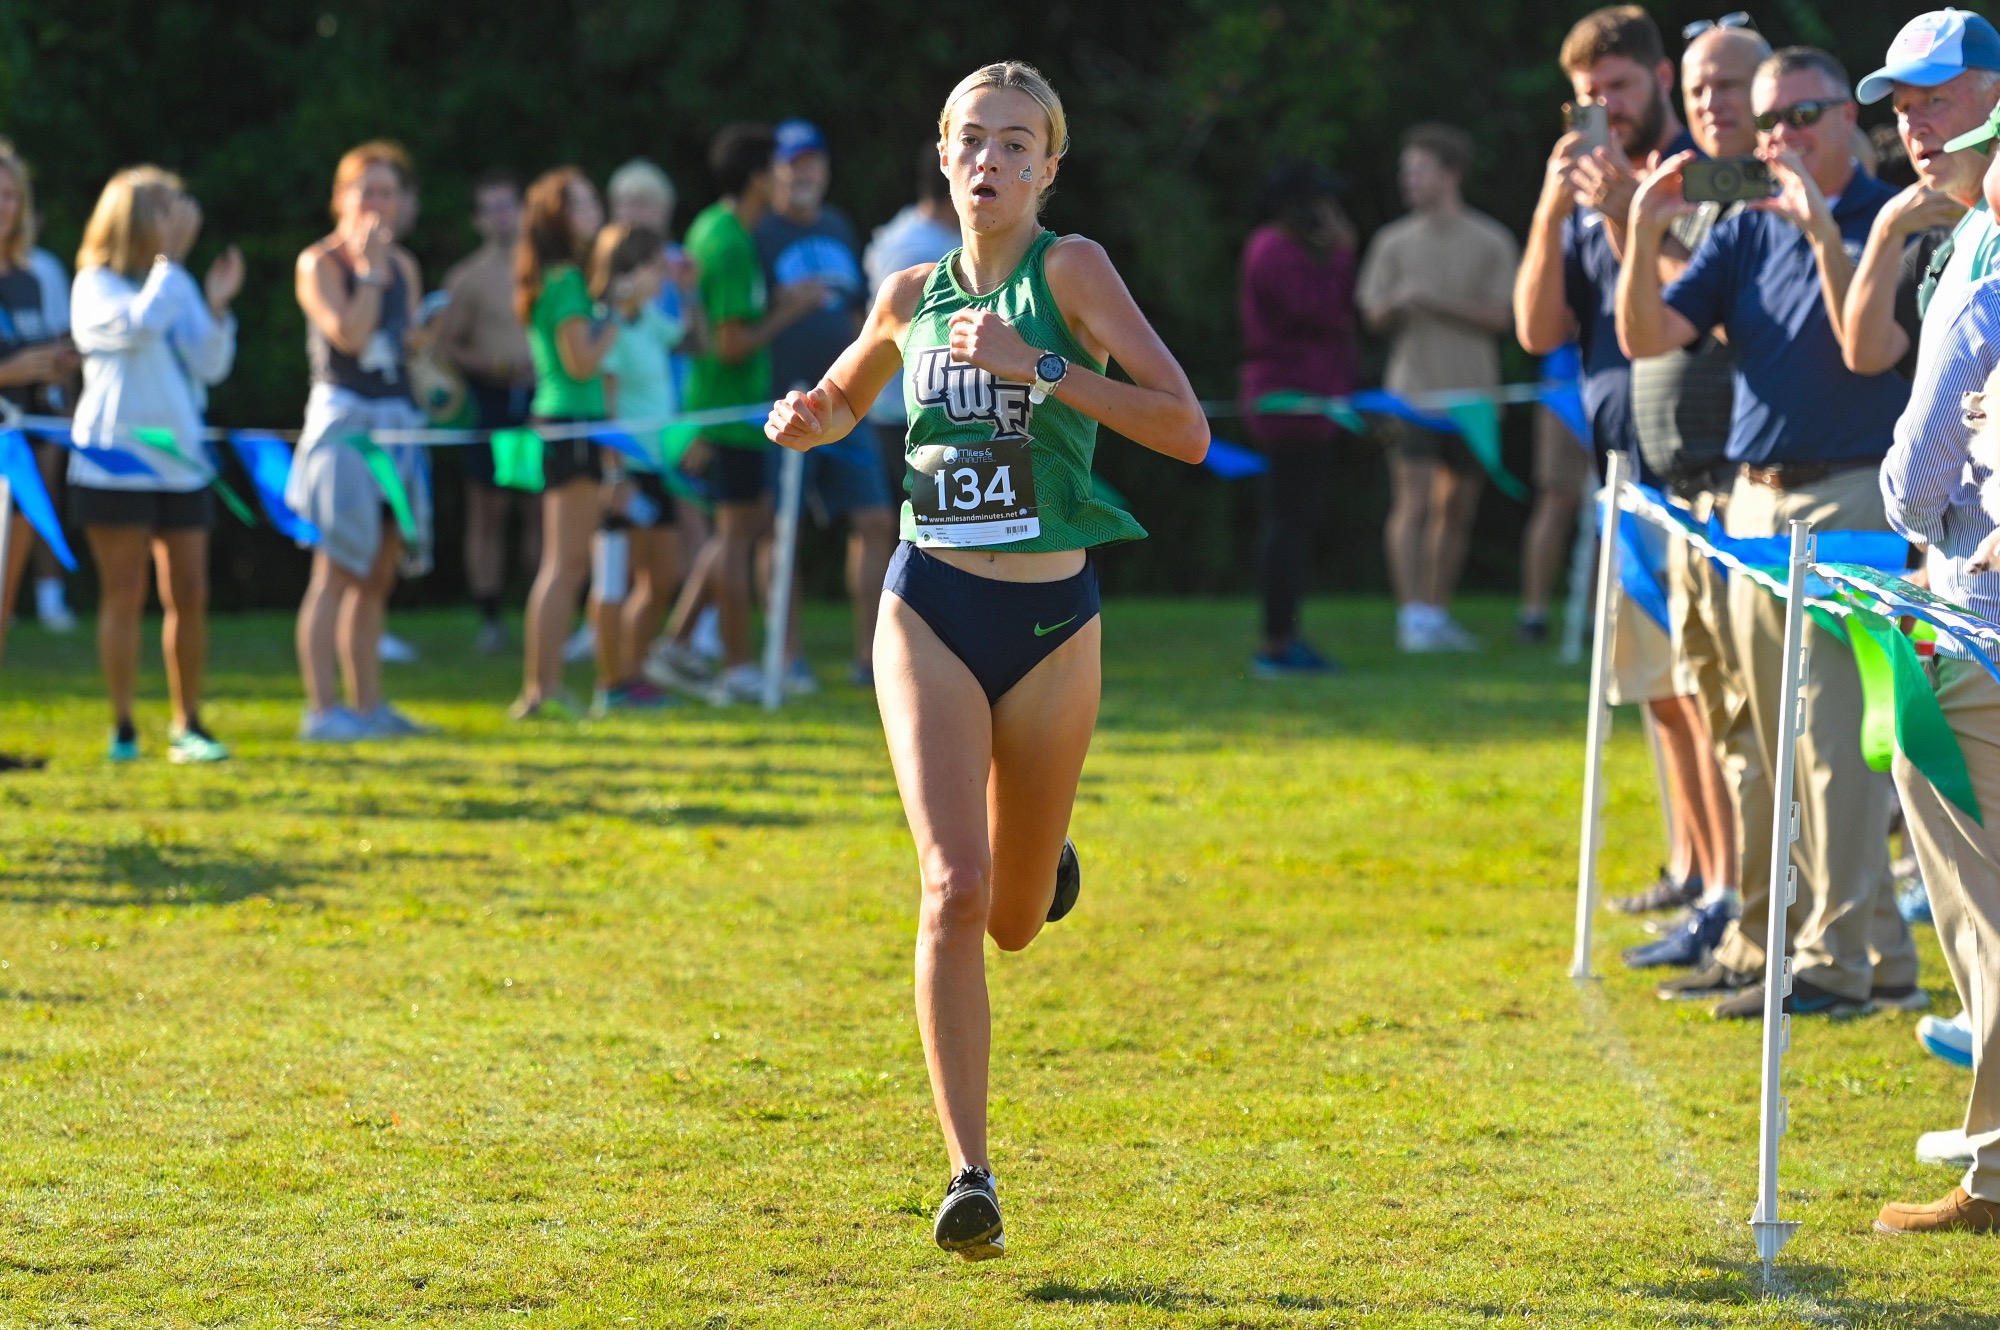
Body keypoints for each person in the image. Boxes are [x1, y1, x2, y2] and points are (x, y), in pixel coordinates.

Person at [764, 61, 1207, 1261]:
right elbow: (848, 395)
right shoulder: (907, 288)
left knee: (1014, 918)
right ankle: (969, 1173)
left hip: (1054, 624)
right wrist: (809, 416)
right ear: (944, 156)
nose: (991, 161)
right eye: (973, 140)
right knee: (951, 887)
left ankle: (1039, 857)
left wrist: (1045, 370)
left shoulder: (1073, 272)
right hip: (929, 607)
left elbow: (1185, 426)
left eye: (1017, 144)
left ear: (1048, 167)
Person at [1620, 46, 1920, 1019]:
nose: (1778, 139)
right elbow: (1644, 336)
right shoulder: (1744, 229)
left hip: (1847, 502)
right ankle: (1829, 946)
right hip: (1753, 506)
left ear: (1846, 120)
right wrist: (1638, 228)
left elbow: (1858, 346)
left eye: (1800, 116)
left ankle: (1833, 961)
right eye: (1767, 123)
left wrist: (1823, 235)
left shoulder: (1891, 217)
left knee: (1832, 744)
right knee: (1766, 738)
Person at [1514, 6, 1712, 921]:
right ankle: (1689, 866)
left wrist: (1627, 217)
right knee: (1658, 692)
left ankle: (1726, 886)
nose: (1607, 109)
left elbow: (1696, 306)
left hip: (1695, 464)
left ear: (1661, 79)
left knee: (1708, 691)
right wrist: (1557, 207)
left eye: (1621, 88)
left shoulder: (1693, 176)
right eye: (1589, 96)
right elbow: (1537, 330)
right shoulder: (1586, 190)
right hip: (1620, 470)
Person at [1614, 23, 1772, 979]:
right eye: (1703, 86)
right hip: (1684, 485)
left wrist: (1625, 217)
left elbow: (1692, 319)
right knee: (1709, 711)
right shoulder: (1710, 189)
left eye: (1733, 84)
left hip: (1739, 483)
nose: (1714, 103)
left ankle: (1756, 912)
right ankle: (1726, 899)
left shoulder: (1764, 185)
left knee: (1748, 724)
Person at [1873, 120, 2000, 1232]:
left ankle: (1998, 1173)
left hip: (1976, 630)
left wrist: (1914, 508)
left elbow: (1914, 481)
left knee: (1981, 898)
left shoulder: (1984, 287)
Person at [67, 166, 243, 764]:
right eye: (166, 208)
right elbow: (139, 327)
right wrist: (172, 265)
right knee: (124, 592)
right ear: (135, 219)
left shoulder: (177, 282)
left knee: (189, 590)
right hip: (115, 460)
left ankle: (187, 722)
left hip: (181, 462)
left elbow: (208, 365)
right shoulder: (94, 284)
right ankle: (123, 727)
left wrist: (217, 308)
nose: (179, 218)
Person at [288, 142, 434, 741]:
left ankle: (369, 705)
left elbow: (407, 349)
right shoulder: (319, 263)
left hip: (397, 424)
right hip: (343, 427)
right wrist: (370, 273)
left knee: (378, 571)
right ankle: (322, 711)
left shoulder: (407, 266)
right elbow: (347, 335)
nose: (377, 203)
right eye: (365, 189)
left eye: (388, 191)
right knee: (337, 568)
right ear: (340, 198)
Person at [1357, 124, 1516, 653]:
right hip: (1410, 394)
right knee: (1414, 501)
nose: (1409, 180)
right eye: (1406, 172)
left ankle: (1436, 610)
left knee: (1458, 508)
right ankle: (1411, 617)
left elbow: (1505, 317)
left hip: (1474, 397)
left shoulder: (1491, 239)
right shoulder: (1392, 241)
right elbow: (1371, 314)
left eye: (1418, 170)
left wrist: (1436, 301)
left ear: (1450, 175)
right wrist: (1400, 301)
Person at [682, 124, 823, 703]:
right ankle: (735, 663)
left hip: (717, 411)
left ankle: (681, 641)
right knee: (737, 538)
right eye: (778, 168)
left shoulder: (711, 227)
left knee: (742, 530)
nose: (787, 179)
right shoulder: (733, 243)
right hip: (727, 415)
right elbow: (730, 344)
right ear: (758, 178)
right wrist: (794, 311)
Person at [756, 118, 899, 689]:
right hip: (781, 401)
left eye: (812, 159)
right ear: (772, 172)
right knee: (780, 529)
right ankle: (786, 657)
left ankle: (869, 658)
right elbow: (738, 329)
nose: (804, 170)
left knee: (875, 519)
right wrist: (791, 308)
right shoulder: (758, 235)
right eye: (792, 161)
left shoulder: (839, 226)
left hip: (842, 398)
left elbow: (863, 315)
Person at [1237, 160, 1360, 675]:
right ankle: (1276, 642)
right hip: (1290, 403)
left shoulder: (1279, 247)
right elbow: (1315, 312)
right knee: (1287, 524)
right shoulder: (1273, 250)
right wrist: (1341, 256)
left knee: (1294, 522)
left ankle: (1283, 636)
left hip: (1311, 401)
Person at [1840, 9, 2000, 383]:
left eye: (1935, 101)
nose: (1914, 126)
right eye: (1903, 109)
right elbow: (1866, 355)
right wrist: (1886, 231)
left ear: (1996, 101)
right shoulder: (1942, 245)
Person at [510, 167, 615, 720]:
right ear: (559, 217)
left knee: (565, 563)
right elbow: (582, 363)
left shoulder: (554, 278)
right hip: (570, 426)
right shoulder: (565, 280)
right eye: (583, 203)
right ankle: (539, 690)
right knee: (565, 565)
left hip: (562, 426)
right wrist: (620, 315)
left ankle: (541, 688)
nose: (594, 209)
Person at [437, 170, 541, 656]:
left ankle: (542, 612)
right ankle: (491, 616)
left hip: (541, 403)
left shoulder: (547, 267)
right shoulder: (469, 278)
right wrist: (497, 365)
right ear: (480, 220)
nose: (503, 216)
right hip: (492, 403)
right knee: (489, 513)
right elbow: (447, 346)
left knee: (541, 510)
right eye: (492, 208)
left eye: (509, 205)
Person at [588, 221, 689, 713]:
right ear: (628, 270)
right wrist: (613, 477)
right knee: (615, 580)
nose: (661, 274)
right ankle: (614, 683)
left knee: (662, 576)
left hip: (656, 468)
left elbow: (684, 337)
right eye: (653, 266)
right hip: (623, 472)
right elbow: (604, 407)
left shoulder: (646, 317)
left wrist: (686, 291)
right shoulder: (603, 325)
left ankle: (631, 670)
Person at [0, 143, 80, 649]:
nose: (2, 206)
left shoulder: (31, 278)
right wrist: (7, 371)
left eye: (10, 196)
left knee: (2, 611)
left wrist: (57, 363)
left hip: (23, 451)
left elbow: (38, 359)